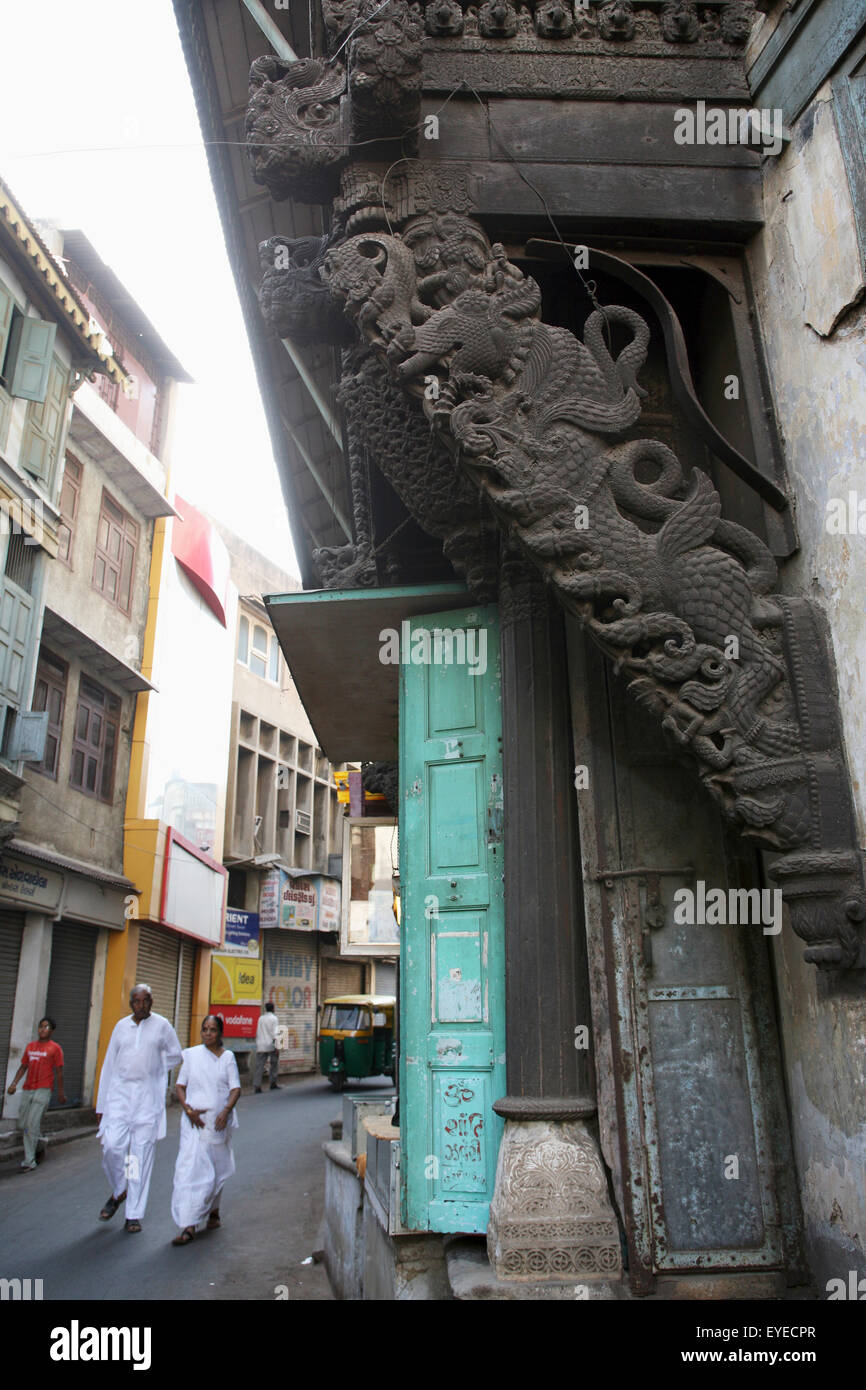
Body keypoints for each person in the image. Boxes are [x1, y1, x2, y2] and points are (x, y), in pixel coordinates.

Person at [95, 984, 182, 1233]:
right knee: (112, 1147)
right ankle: (120, 1190)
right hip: (119, 1098)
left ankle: (133, 1213)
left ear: (152, 1001)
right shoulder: (121, 1027)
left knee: (138, 1156)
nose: (141, 1006)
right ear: (131, 1003)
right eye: (136, 1001)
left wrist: (157, 1067)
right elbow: (109, 1065)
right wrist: (102, 1105)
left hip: (146, 1099)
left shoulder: (162, 1025)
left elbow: (176, 1054)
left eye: (146, 1001)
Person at [170, 1014, 241, 1245]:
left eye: (212, 1030)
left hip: (217, 1124)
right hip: (193, 1123)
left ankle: (213, 1212)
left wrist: (225, 1111)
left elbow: (235, 1089)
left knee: (216, 1171)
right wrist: (188, 1110)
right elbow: (180, 1086)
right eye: (204, 1029)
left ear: (220, 1033)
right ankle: (188, 1224)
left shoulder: (228, 1058)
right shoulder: (191, 1056)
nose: (208, 1033)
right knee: (189, 1171)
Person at [7, 1017, 65, 1171]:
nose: (42, 1030)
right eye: (41, 1026)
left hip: (43, 1090)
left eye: (46, 1027)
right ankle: (40, 1143)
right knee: (23, 1125)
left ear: (52, 1031)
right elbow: (23, 1067)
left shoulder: (55, 1048)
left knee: (31, 1125)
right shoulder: (31, 1047)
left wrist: (60, 1093)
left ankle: (29, 1161)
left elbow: (59, 1072)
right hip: (28, 1089)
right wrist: (13, 1084)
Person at [253, 1001, 281, 1092]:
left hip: (261, 1044)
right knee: (274, 1064)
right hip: (271, 1045)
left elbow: (258, 1031)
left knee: (259, 1066)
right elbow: (275, 1033)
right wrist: (277, 1046)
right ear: (273, 1009)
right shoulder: (274, 1019)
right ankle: (273, 1083)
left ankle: (257, 1086)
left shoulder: (261, 1018)